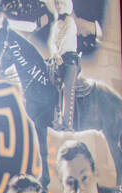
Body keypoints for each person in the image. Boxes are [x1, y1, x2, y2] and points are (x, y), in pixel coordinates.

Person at [46, 0, 81, 130]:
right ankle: (52, 119)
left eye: (61, 3)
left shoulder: (70, 22)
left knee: (67, 88)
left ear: (66, 5)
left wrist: (59, 54)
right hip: (57, 58)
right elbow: (52, 42)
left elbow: (66, 40)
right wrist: (55, 54)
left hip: (69, 59)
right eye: (57, 4)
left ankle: (67, 125)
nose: (59, 6)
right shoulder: (56, 24)